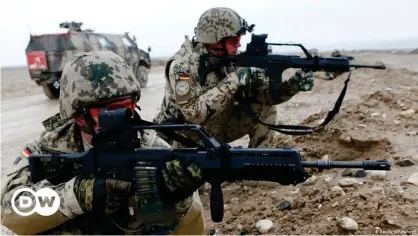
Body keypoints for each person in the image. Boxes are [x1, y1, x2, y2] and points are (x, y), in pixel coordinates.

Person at [0, 51, 206, 235]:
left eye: (129, 106)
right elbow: (10, 213)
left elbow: (194, 232)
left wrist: (181, 202)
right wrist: (76, 196)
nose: (126, 116)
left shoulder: (153, 148)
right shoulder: (47, 148)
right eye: (113, 111)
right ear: (79, 116)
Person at [153, 7, 315, 148]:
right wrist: (235, 80)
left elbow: (266, 98)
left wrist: (292, 86)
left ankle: (257, 170)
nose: (239, 44)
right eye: (234, 40)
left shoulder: (232, 58)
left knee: (265, 109)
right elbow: (193, 116)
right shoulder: (182, 66)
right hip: (183, 139)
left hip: (217, 130)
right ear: (216, 39)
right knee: (193, 182)